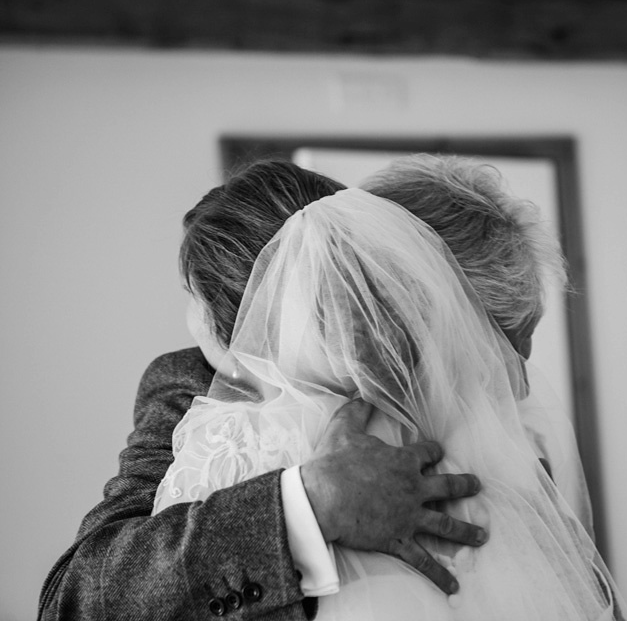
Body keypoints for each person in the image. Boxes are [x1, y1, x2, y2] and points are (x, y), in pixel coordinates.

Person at [153, 156, 625, 619]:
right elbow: (93, 586)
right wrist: (312, 504)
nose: (517, 385)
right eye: (508, 352)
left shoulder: (512, 463)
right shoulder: (203, 410)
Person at [38, 162, 485, 621]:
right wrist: (306, 504)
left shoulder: (446, 400)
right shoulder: (185, 385)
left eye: (188, 294)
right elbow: (78, 598)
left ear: (231, 317)